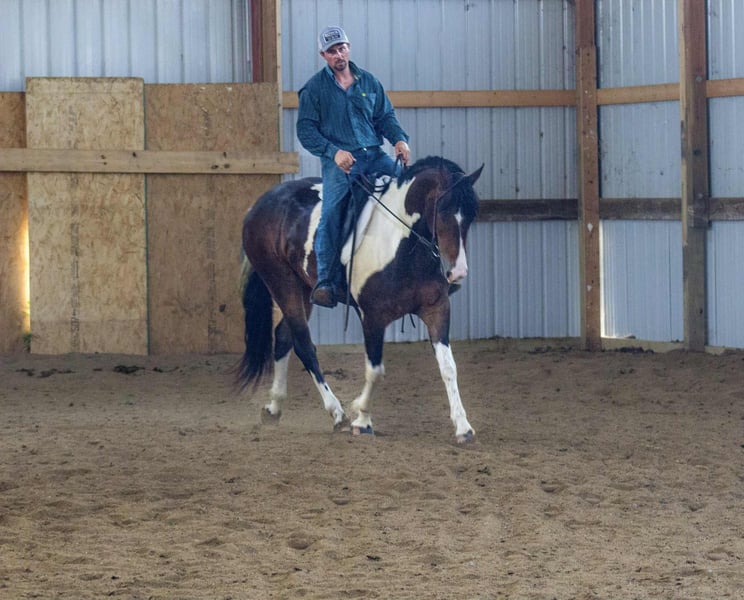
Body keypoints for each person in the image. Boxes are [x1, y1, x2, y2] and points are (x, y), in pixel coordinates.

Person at [296, 25, 411, 308]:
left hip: (375, 155)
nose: (339, 54)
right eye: (332, 51)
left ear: (349, 48)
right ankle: (326, 281)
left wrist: (399, 140)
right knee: (331, 214)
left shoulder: (369, 82)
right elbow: (306, 131)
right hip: (341, 164)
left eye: (342, 48)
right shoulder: (314, 89)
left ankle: (423, 263)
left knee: (411, 190)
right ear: (323, 55)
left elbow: (385, 117)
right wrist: (333, 152)